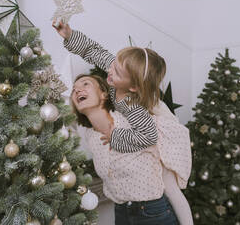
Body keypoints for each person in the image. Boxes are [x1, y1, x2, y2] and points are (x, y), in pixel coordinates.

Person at [71, 74, 193, 225]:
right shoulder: (91, 136)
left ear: (104, 94)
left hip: (154, 214)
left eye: (85, 84)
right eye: (74, 89)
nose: (77, 90)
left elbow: (171, 187)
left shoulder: (132, 119)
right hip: (121, 214)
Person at [53, 20, 166, 154]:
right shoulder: (115, 66)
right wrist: (70, 35)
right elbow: (94, 51)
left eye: (117, 73)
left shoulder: (133, 107)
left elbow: (149, 136)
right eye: (114, 64)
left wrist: (115, 137)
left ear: (133, 87)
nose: (110, 70)